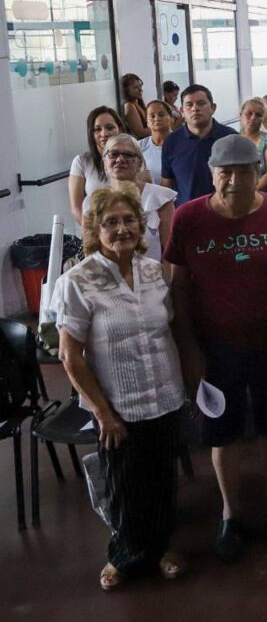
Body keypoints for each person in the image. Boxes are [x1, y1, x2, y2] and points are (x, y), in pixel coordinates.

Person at [165, 134, 267, 563]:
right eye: (224, 172)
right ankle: (232, 514)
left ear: (256, 174)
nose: (233, 180)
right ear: (212, 174)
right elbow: (179, 288)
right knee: (221, 433)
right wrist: (189, 348)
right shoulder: (189, 218)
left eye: (243, 171)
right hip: (216, 348)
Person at [53, 185, 187, 590]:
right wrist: (102, 414)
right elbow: (69, 356)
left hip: (164, 393)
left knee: (162, 477)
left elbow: (171, 327)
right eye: (111, 222)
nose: (123, 229)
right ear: (95, 228)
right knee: (125, 485)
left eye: (129, 220)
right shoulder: (78, 280)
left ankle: (162, 546)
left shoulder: (152, 270)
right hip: (118, 406)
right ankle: (125, 553)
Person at [85, 133, 176, 274]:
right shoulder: (91, 201)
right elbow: (90, 252)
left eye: (128, 155)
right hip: (108, 284)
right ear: (104, 161)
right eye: (113, 154)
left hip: (152, 283)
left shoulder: (160, 198)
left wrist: (166, 287)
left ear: (139, 163)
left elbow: (171, 255)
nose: (120, 159)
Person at [160, 84, 237, 206]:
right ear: (182, 112)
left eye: (201, 103)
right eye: (189, 105)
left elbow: (242, 178)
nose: (195, 108)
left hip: (226, 213)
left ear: (213, 108)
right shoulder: (171, 142)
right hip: (186, 216)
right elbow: (166, 184)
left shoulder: (232, 138)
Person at [70, 107, 128, 224]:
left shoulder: (133, 158)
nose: (104, 133)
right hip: (95, 231)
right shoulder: (82, 161)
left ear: (120, 129)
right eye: (97, 129)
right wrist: (94, 232)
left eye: (110, 127)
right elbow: (76, 208)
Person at [238, 98, 267, 191]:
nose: (253, 117)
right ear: (241, 114)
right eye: (249, 113)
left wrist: (250, 193)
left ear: (263, 118)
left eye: (258, 115)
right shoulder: (234, 140)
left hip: (262, 195)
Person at [139, 101, 175, 184]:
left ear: (172, 118)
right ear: (147, 123)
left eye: (161, 115)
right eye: (152, 116)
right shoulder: (139, 146)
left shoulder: (182, 144)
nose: (156, 118)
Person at [121, 74, 150, 139]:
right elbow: (140, 132)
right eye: (135, 87)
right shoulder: (129, 106)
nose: (140, 90)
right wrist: (159, 128)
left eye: (140, 86)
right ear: (126, 90)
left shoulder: (137, 103)